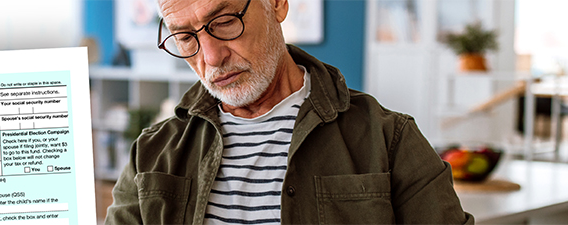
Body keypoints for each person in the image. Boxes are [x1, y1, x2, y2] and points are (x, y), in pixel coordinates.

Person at [105, 0, 474, 224]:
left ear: (278, 4)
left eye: (224, 22)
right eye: (186, 37)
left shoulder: (389, 140)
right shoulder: (150, 156)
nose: (211, 57)